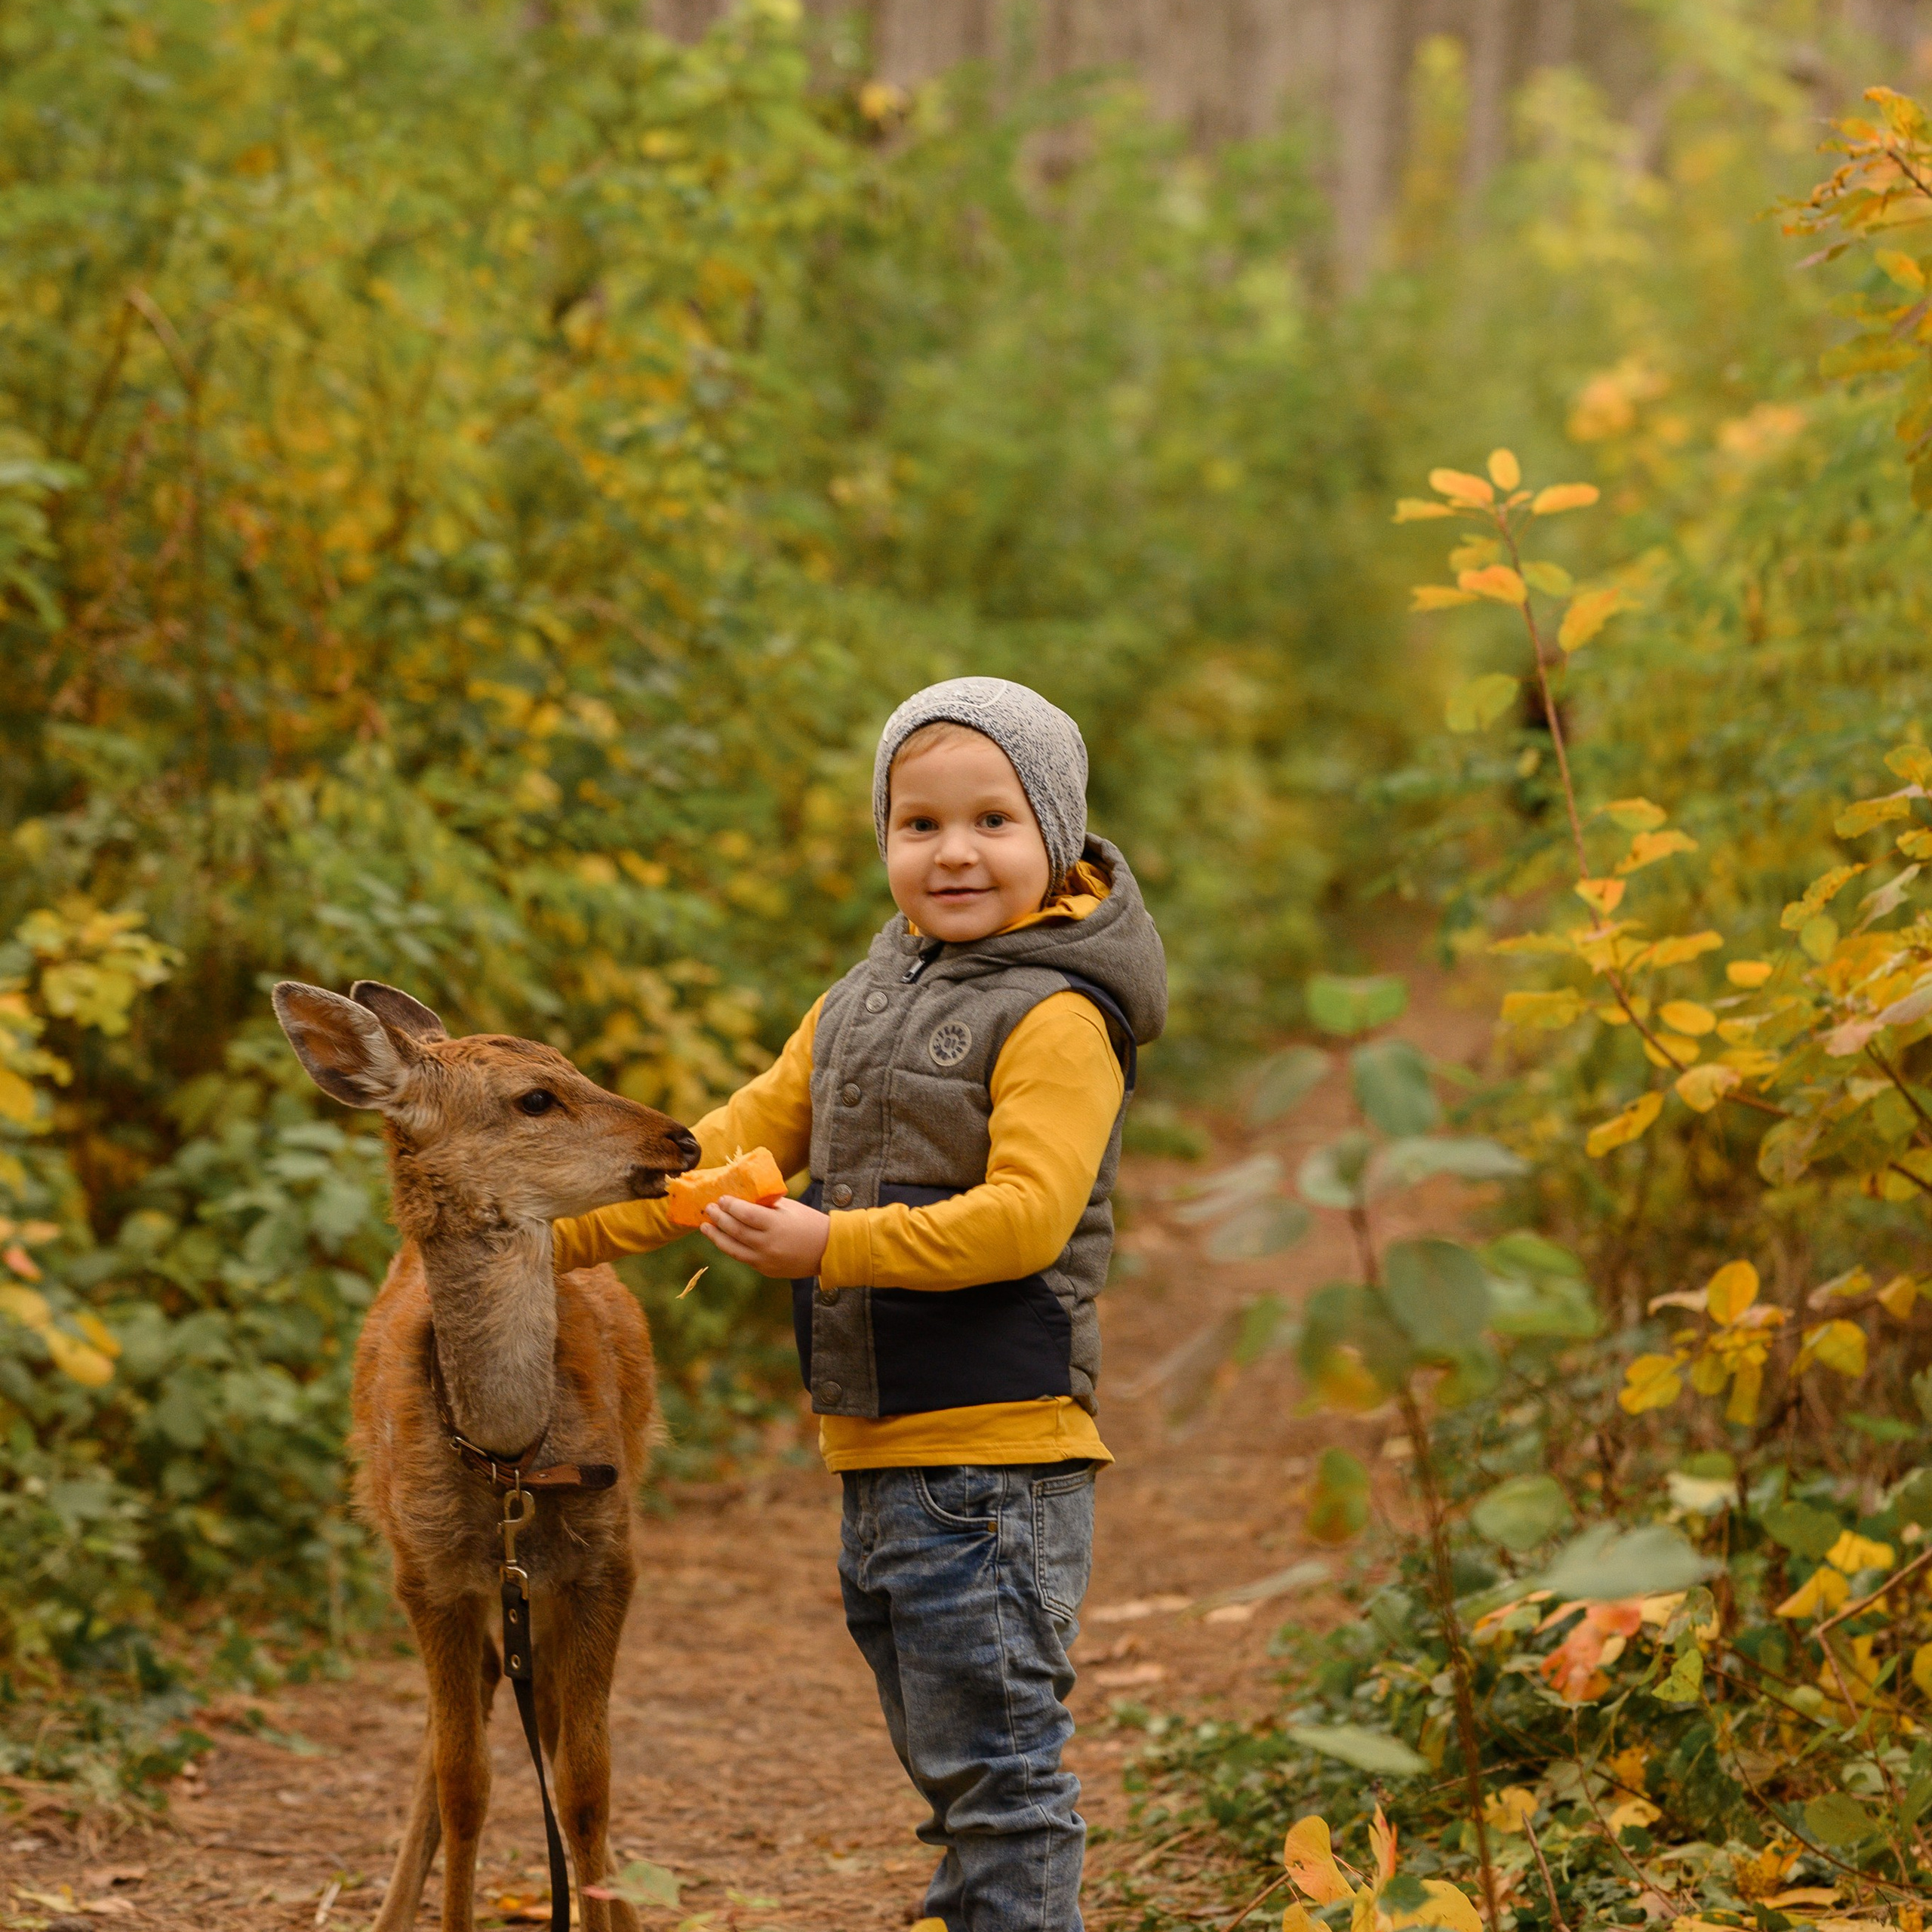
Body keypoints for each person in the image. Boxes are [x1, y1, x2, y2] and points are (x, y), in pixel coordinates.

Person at [553, 675, 1167, 1932]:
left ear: (1056, 833)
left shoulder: (1057, 1015)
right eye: (919, 823)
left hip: (995, 1460)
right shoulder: (857, 1005)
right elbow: (719, 1152)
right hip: (882, 1459)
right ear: (883, 837)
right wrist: (541, 1238)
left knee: (1003, 1784)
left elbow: (1027, 1217)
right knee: (956, 1774)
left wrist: (828, 1242)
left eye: (993, 820)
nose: (953, 851)